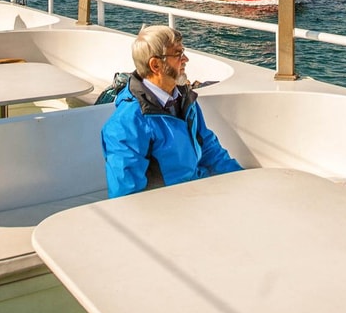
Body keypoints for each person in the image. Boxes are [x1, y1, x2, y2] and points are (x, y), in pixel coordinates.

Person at [101, 25, 242, 197]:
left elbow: (209, 149)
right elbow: (125, 195)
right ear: (155, 65)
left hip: (198, 194)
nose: (186, 59)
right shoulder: (128, 122)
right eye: (178, 54)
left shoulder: (184, 99)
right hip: (168, 208)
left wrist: (240, 181)